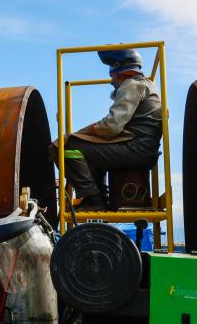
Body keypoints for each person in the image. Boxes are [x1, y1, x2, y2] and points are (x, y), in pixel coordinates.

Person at [55, 48, 162, 211]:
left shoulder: (132, 85)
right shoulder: (148, 85)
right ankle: (100, 197)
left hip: (135, 150)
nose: (111, 81)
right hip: (143, 149)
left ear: (123, 73)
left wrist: (77, 134)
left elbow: (111, 126)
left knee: (68, 147)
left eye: (112, 76)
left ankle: (94, 199)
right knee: (89, 150)